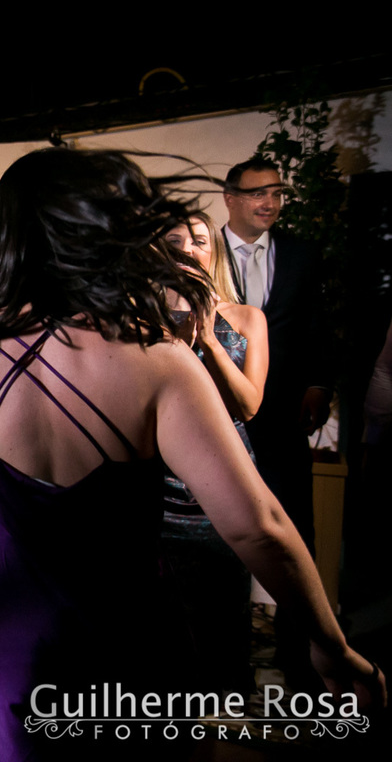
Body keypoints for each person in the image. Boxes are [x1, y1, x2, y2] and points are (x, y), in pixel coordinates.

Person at [0, 148, 384, 760]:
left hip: (0, 654)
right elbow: (259, 526)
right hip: (130, 655)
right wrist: (329, 643)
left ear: (9, 235)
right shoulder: (160, 361)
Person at [221, 156, 334, 687]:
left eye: (276, 193)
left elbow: (317, 323)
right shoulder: (200, 248)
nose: (269, 202)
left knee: (294, 534)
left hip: (285, 412)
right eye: (257, 193)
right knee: (221, 535)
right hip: (217, 416)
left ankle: (299, 658)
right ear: (230, 198)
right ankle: (224, 661)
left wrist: (319, 383)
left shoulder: (303, 254)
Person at [159, 212, 268, 694]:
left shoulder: (247, 319)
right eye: (175, 239)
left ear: (213, 252)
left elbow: (248, 405)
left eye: (199, 239)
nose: (187, 247)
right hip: (159, 491)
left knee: (222, 620)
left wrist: (208, 340)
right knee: (163, 630)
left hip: (225, 488)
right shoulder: (142, 320)